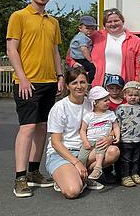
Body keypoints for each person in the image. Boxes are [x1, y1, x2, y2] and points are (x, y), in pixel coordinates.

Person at [6, 0, 63, 197]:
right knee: (27, 128)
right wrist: (23, 78)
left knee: (42, 128)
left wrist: (60, 76)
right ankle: (20, 178)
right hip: (26, 82)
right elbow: (12, 50)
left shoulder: (53, 22)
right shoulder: (18, 16)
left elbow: (55, 51)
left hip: (49, 81)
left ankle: (33, 172)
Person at [45, 66, 120, 198]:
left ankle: (81, 176)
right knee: (72, 191)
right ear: (68, 86)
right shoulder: (60, 107)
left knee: (113, 151)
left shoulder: (91, 104)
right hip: (62, 153)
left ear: (87, 84)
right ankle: (72, 177)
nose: (79, 86)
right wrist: (76, 162)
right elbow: (56, 143)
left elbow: (109, 124)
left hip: (85, 149)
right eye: (74, 83)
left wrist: (110, 137)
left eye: (82, 82)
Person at [79, 86, 120, 181]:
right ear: (95, 103)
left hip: (101, 140)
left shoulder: (110, 114)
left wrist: (117, 136)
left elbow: (116, 126)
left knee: (100, 152)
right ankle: (81, 175)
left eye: (108, 100)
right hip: (89, 140)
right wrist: (85, 141)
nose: (108, 102)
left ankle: (98, 168)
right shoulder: (89, 115)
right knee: (81, 158)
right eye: (105, 101)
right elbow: (82, 130)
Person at [115, 80, 140, 187]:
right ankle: (125, 176)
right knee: (126, 159)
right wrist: (117, 136)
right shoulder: (121, 108)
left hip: (137, 138)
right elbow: (117, 123)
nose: (133, 97)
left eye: (136, 95)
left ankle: (134, 174)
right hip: (125, 138)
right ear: (125, 95)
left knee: (136, 159)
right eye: (130, 95)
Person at [69, 16, 98, 84]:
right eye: (87, 28)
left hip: (77, 59)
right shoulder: (82, 37)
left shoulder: (81, 36)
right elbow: (84, 49)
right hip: (80, 59)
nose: (90, 30)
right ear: (80, 28)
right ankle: (88, 82)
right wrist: (90, 60)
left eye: (92, 28)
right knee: (92, 68)